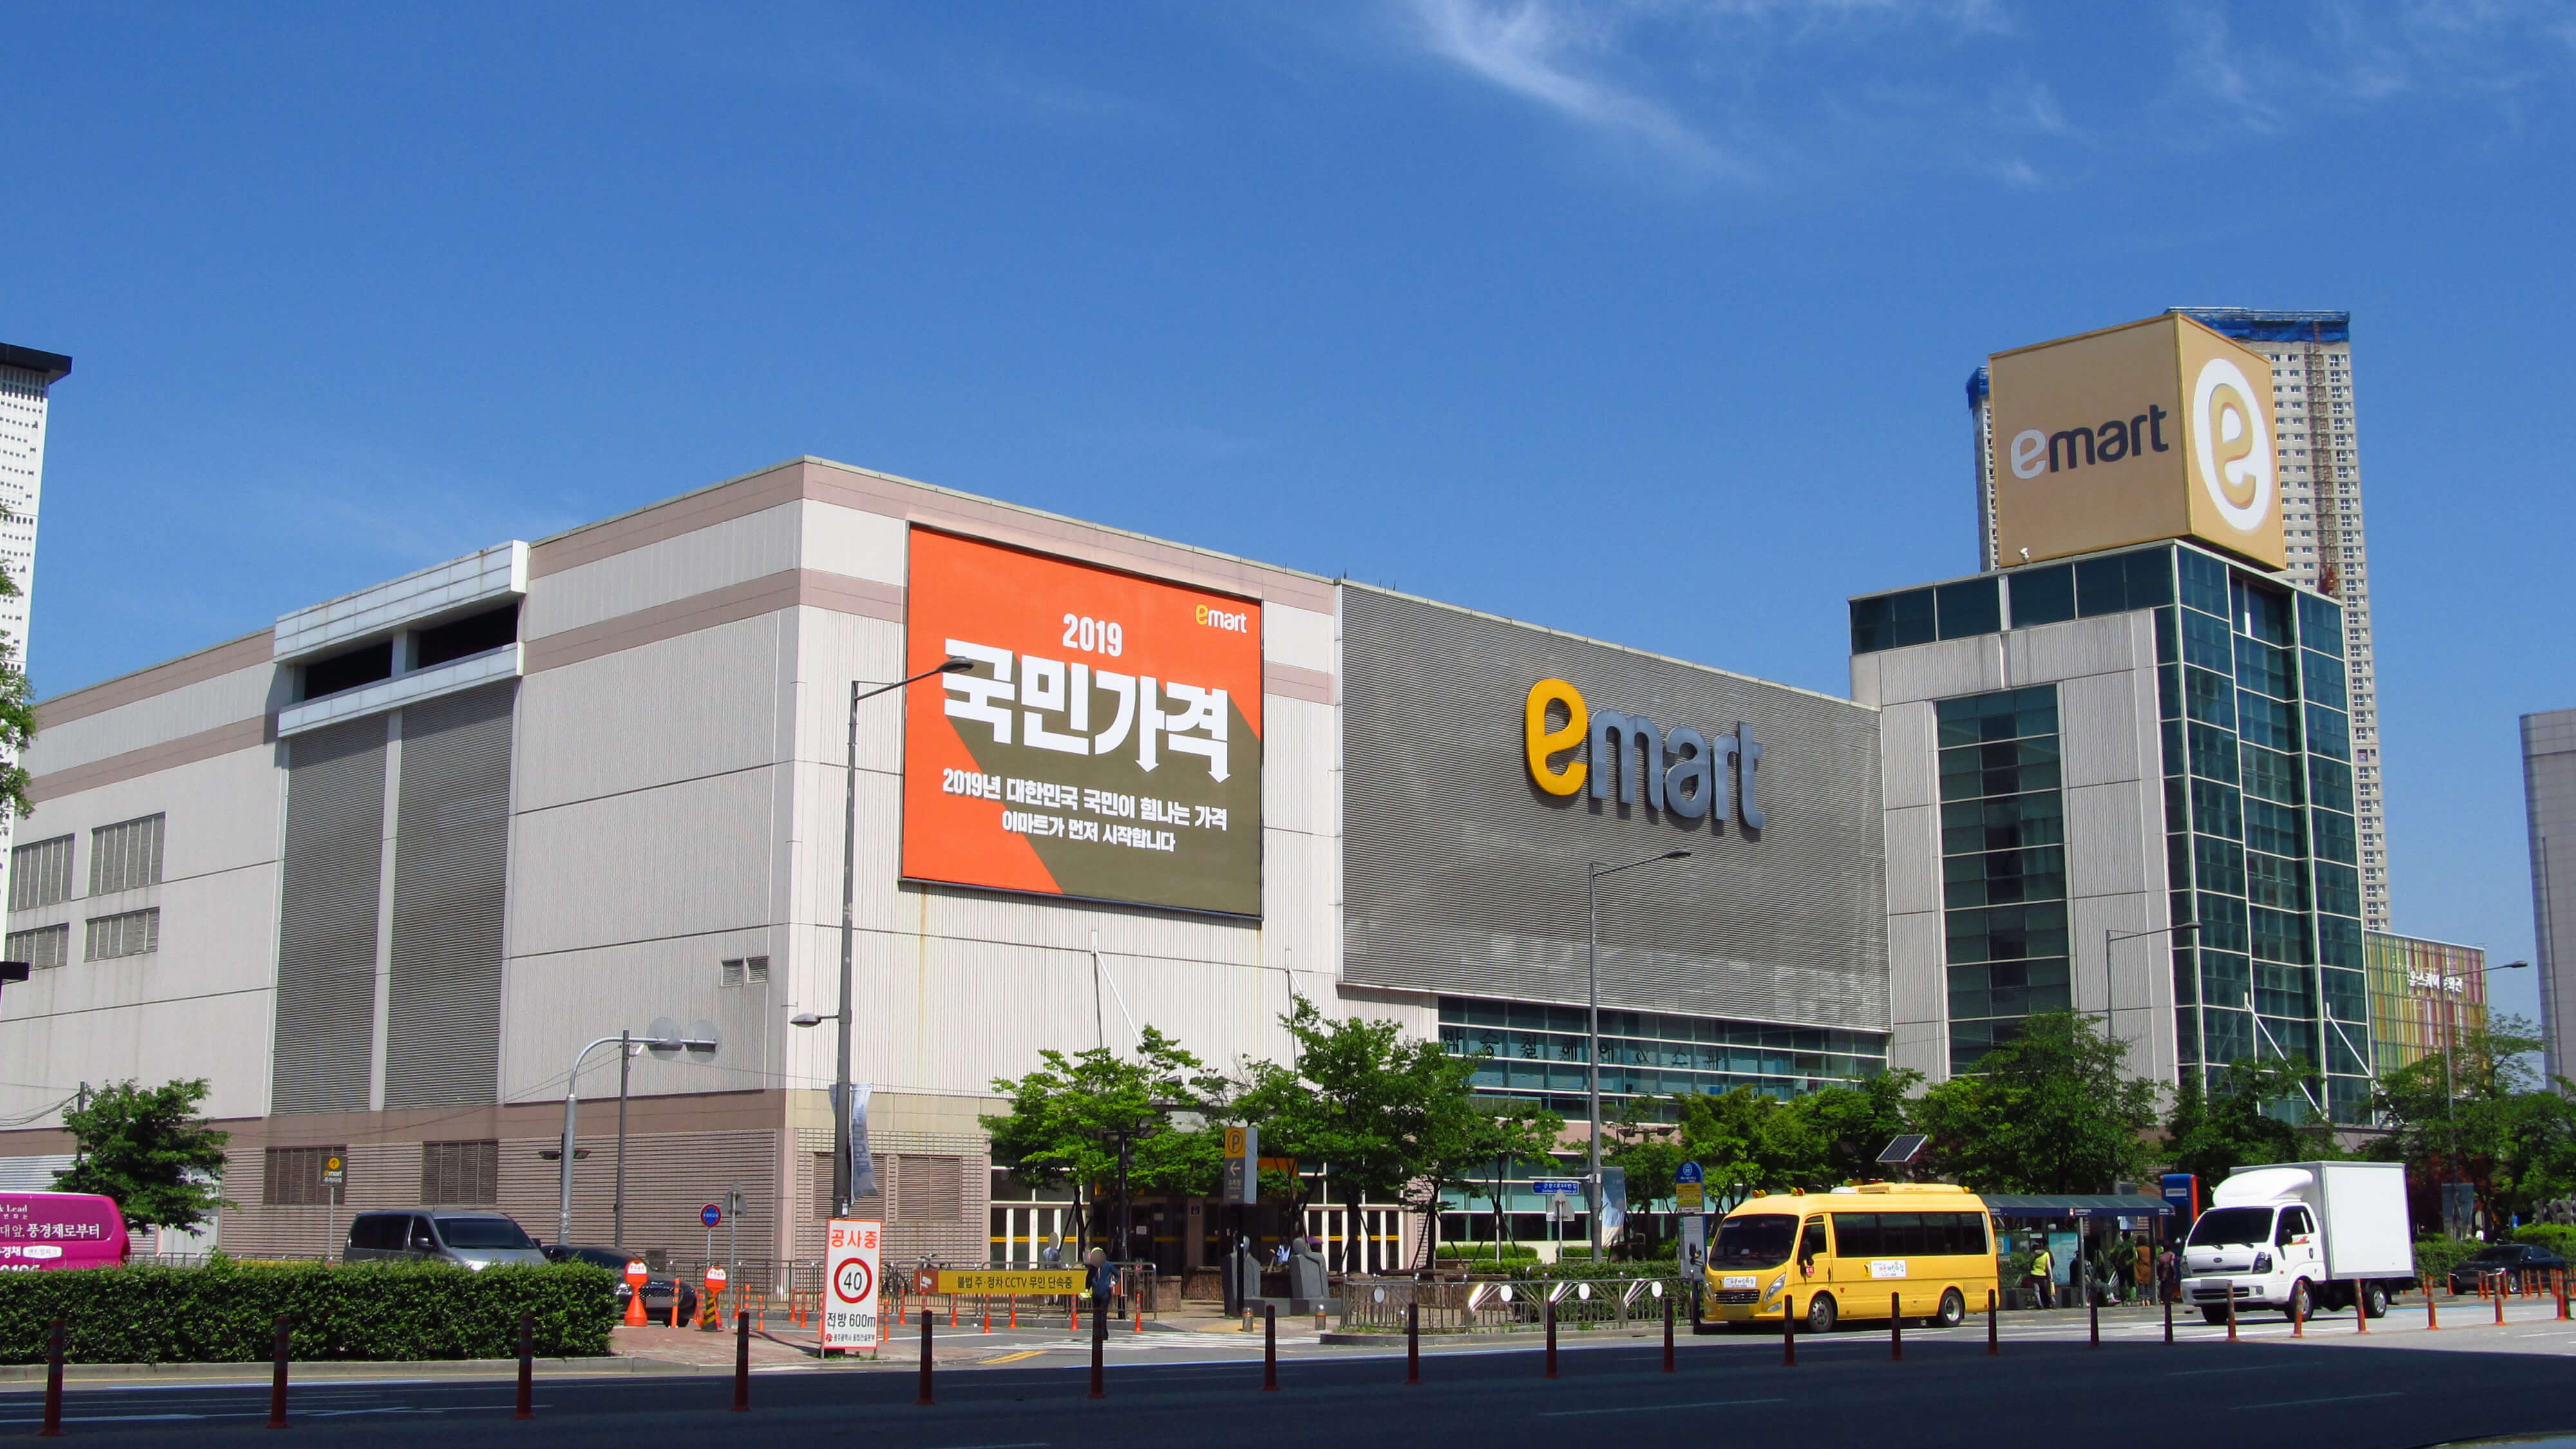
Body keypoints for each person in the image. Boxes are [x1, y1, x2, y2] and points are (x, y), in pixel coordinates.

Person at [2027, 1240, 2055, 1310]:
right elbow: (2048, 1266)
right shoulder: (2046, 1254)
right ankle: (2051, 1303)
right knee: (2046, 1289)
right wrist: (2051, 1276)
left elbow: (2030, 1263)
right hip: (2043, 1275)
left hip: (2034, 1274)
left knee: (2036, 1290)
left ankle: (2039, 1304)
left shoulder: (2034, 1254)